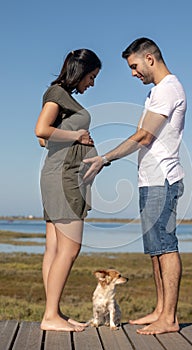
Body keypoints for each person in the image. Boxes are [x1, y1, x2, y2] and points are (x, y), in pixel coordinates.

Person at [83, 38, 187, 335]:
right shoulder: (157, 92)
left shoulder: (168, 90)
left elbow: (144, 136)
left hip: (162, 179)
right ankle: (159, 310)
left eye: (134, 66)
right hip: (149, 179)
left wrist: (106, 158)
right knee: (156, 250)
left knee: (166, 247)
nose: (132, 73)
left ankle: (169, 318)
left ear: (150, 58)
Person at [35, 49, 101, 332]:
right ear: (81, 71)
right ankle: (50, 316)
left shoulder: (61, 96)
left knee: (54, 248)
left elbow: (46, 141)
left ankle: (54, 313)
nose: (92, 83)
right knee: (70, 248)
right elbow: (40, 130)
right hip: (64, 179)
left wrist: (75, 141)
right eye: (92, 76)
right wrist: (77, 135)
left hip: (55, 174)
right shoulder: (58, 93)